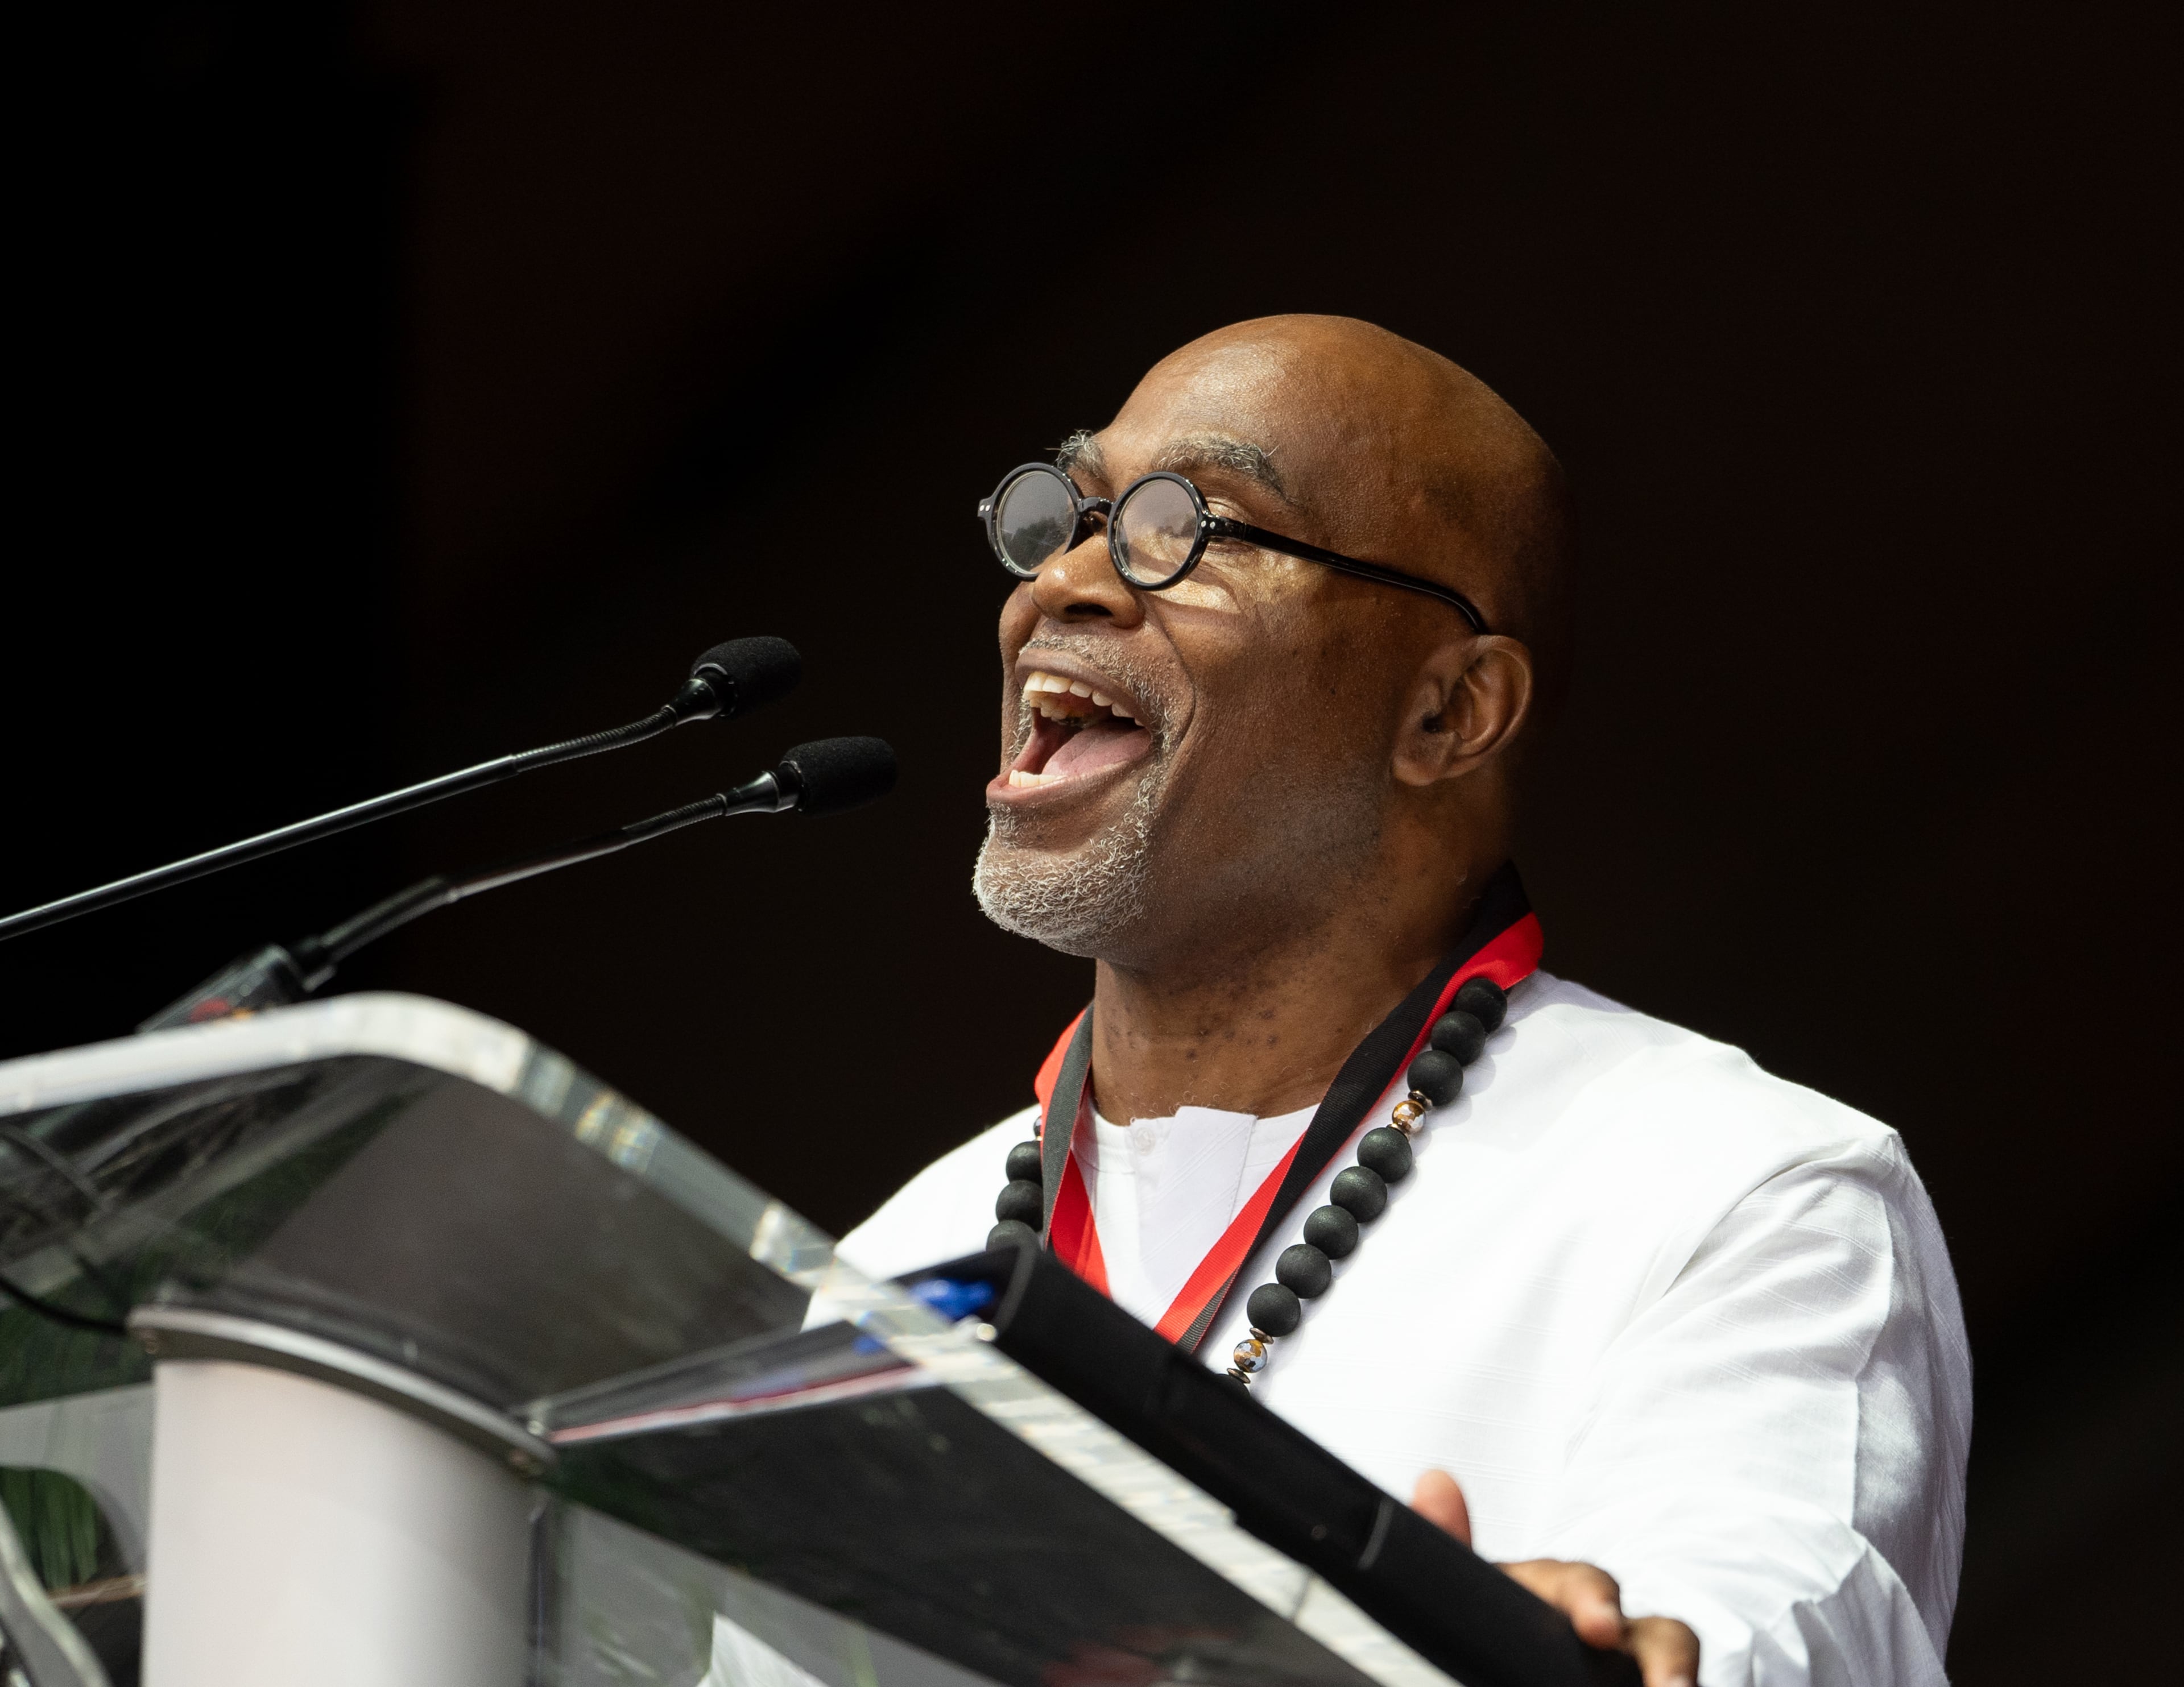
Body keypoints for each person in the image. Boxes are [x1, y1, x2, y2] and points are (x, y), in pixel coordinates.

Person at [839, 316, 1970, 1687]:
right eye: (1071, 514)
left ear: (1449, 709)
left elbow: (1750, 1631)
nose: (1067, 582)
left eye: (1189, 525)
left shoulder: (1740, 1192)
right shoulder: (890, 1263)